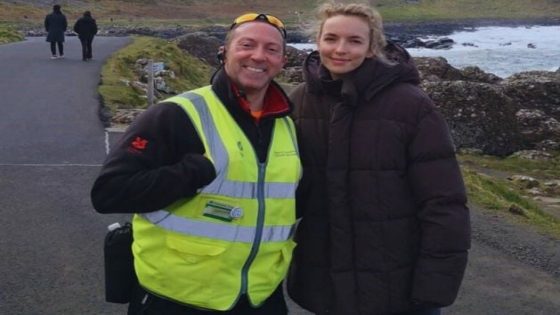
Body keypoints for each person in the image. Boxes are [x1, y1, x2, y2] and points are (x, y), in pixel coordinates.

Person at [91, 12, 301, 315]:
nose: (258, 55)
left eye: (271, 49)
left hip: (260, 297)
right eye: (247, 45)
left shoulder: (287, 125)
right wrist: (190, 173)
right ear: (224, 52)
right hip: (176, 298)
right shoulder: (177, 114)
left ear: (282, 61)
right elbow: (109, 192)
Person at [287, 2, 471, 315]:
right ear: (317, 41)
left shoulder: (411, 105)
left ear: (372, 47)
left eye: (355, 41)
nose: (340, 49)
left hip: (400, 289)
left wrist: (434, 285)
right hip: (327, 286)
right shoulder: (299, 102)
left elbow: (444, 203)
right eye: (331, 38)